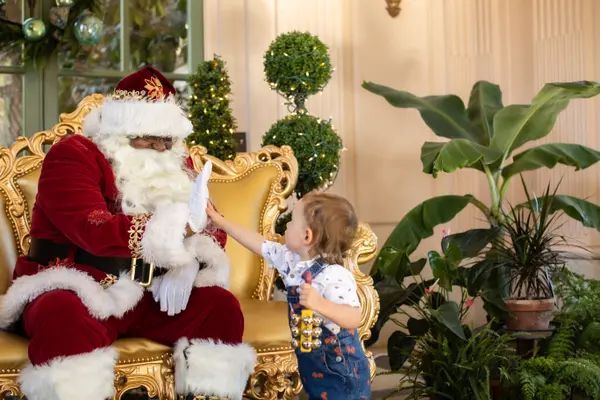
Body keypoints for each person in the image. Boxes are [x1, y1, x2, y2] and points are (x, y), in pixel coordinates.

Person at [0, 66, 255, 400]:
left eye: (167, 140)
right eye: (148, 138)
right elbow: (93, 228)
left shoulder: (176, 162)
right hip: (78, 286)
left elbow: (211, 224)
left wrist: (187, 263)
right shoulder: (73, 155)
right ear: (118, 131)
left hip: (148, 293)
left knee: (219, 307)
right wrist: (179, 230)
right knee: (63, 315)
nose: (160, 150)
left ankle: (208, 395)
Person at [207, 192, 371, 400]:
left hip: (342, 371)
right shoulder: (291, 260)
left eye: (292, 221)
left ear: (307, 236)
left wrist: (319, 303)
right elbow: (258, 244)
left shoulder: (334, 275)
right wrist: (220, 221)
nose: (286, 226)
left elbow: (354, 317)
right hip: (313, 367)